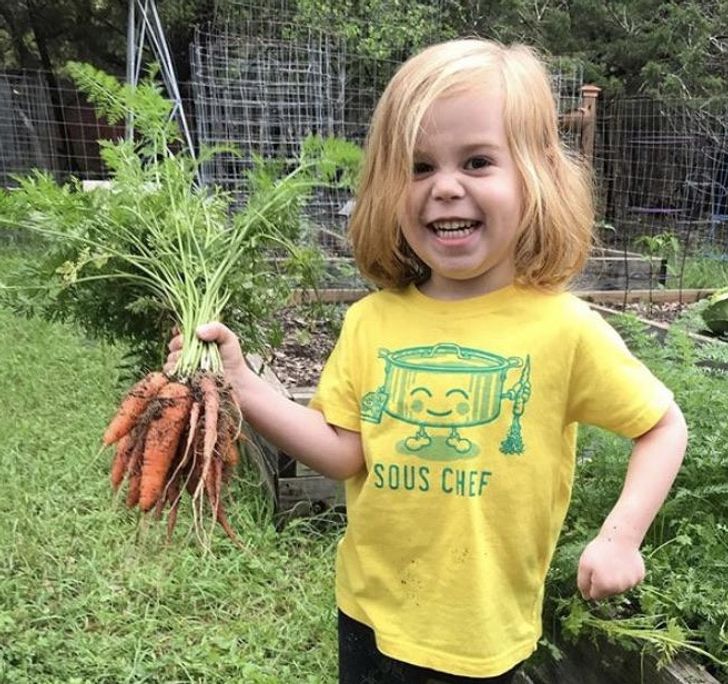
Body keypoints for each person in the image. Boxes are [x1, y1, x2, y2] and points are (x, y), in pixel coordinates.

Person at [165, 39, 687, 684]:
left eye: (477, 161)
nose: (444, 187)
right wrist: (242, 382)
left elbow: (662, 426)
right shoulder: (372, 321)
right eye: (417, 167)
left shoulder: (563, 329)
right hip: (367, 608)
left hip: (478, 635)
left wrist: (619, 537)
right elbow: (343, 453)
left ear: (539, 176)